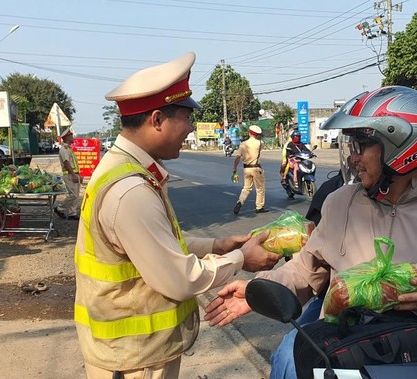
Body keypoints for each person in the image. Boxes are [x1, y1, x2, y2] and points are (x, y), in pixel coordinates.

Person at [204, 86, 417, 376]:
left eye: (361, 146)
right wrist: (258, 292)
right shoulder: (340, 204)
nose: (352, 158)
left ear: (402, 147)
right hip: (344, 351)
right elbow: (305, 271)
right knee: (286, 359)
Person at [75, 52, 281, 379]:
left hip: (133, 352)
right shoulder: (131, 191)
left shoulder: (124, 170)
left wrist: (218, 244)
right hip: (134, 361)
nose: (190, 128)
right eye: (185, 118)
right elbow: (178, 279)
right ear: (157, 120)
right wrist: (242, 258)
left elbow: (155, 245)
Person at [232, 125, 266, 214]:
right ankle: (259, 207)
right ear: (257, 135)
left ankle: (240, 201)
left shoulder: (243, 144)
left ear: (249, 133)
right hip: (256, 168)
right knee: (260, 188)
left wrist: (235, 168)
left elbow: (237, 157)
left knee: (246, 188)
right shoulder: (259, 143)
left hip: (246, 169)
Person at [54, 127, 81, 220]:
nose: (73, 137)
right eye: (71, 135)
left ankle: (72, 213)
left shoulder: (69, 149)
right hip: (69, 175)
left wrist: (78, 174)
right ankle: (59, 208)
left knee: (76, 195)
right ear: (67, 137)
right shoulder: (64, 149)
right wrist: (73, 174)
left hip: (74, 174)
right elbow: (66, 162)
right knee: (72, 194)